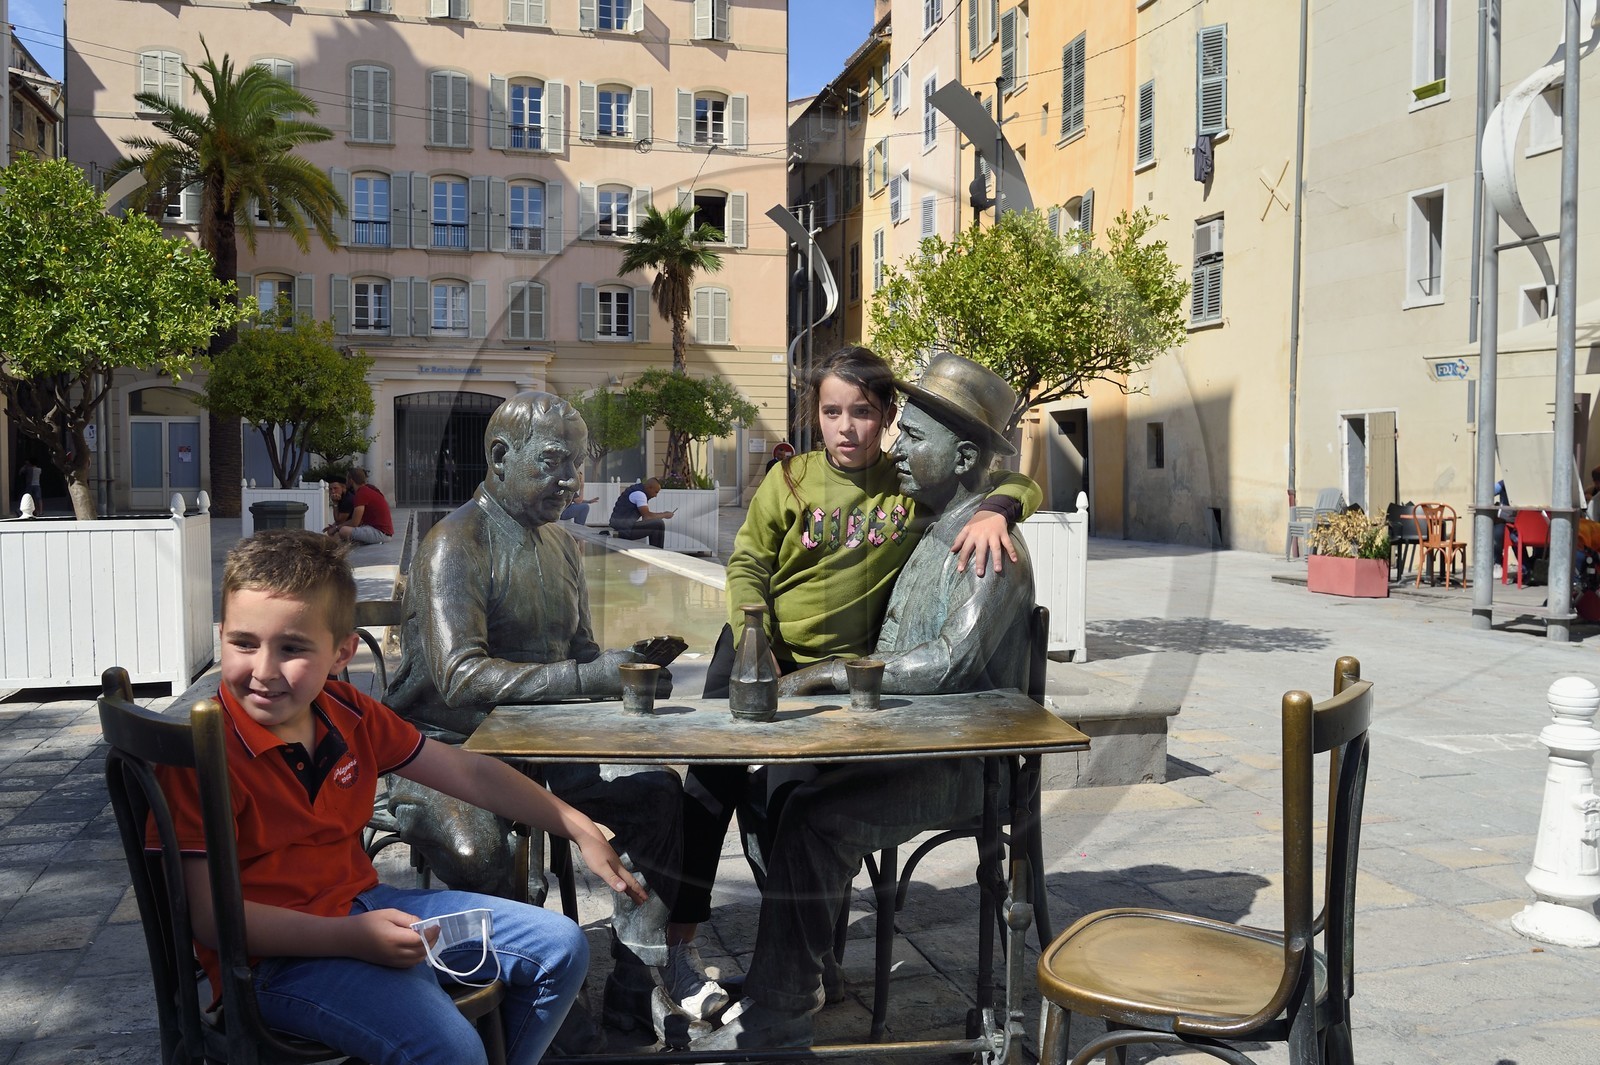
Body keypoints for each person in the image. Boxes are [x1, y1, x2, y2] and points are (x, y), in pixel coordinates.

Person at [154, 530, 643, 1065]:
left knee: (560, 947)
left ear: (341, 652)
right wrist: (350, 939)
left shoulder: (348, 712)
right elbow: (210, 919)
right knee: (450, 1047)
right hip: (272, 963)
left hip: (364, 911)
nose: (265, 670)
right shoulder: (201, 752)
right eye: (244, 643)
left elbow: (466, 772)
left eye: (292, 648)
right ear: (221, 635)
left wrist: (573, 823)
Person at [667, 347, 1040, 1015]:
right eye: (831, 411)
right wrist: (757, 639)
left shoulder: (913, 495)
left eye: (865, 413)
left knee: (785, 806)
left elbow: (1008, 478)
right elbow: (747, 561)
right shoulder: (792, 479)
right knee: (708, 784)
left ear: (887, 419)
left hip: (835, 679)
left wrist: (1001, 505)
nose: (848, 427)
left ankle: (804, 968)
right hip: (758, 646)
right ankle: (681, 945)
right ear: (815, 417)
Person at [384, 392, 723, 1036]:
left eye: (580, 464)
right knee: (483, 850)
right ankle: (527, 1004)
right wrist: (584, 675)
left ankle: (634, 980)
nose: (573, 480)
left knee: (659, 800)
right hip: (450, 755)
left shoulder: (563, 546)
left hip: (551, 751)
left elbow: (582, 656)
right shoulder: (454, 544)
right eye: (556, 463)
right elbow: (459, 678)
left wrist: (626, 670)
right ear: (502, 458)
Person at [330, 468, 393, 545]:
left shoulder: (361, 494)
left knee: (343, 531)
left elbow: (355, 523)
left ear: (351, 480)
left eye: (347, 478)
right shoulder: (369, 489)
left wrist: (337, 528)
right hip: (381, 531)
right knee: (340, 529)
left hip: (381, 533)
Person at [609, 477, 674, 548]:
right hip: (624, 530)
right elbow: (647, 517)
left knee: (655, 523)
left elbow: (645, 518)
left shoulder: (636, 490)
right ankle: (657, 553)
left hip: (620, 527)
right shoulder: (640, 495)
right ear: (649, 488)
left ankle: (655, 551)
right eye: (656, 492)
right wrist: (665, 514)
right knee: (659, 524)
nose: (655, 496)